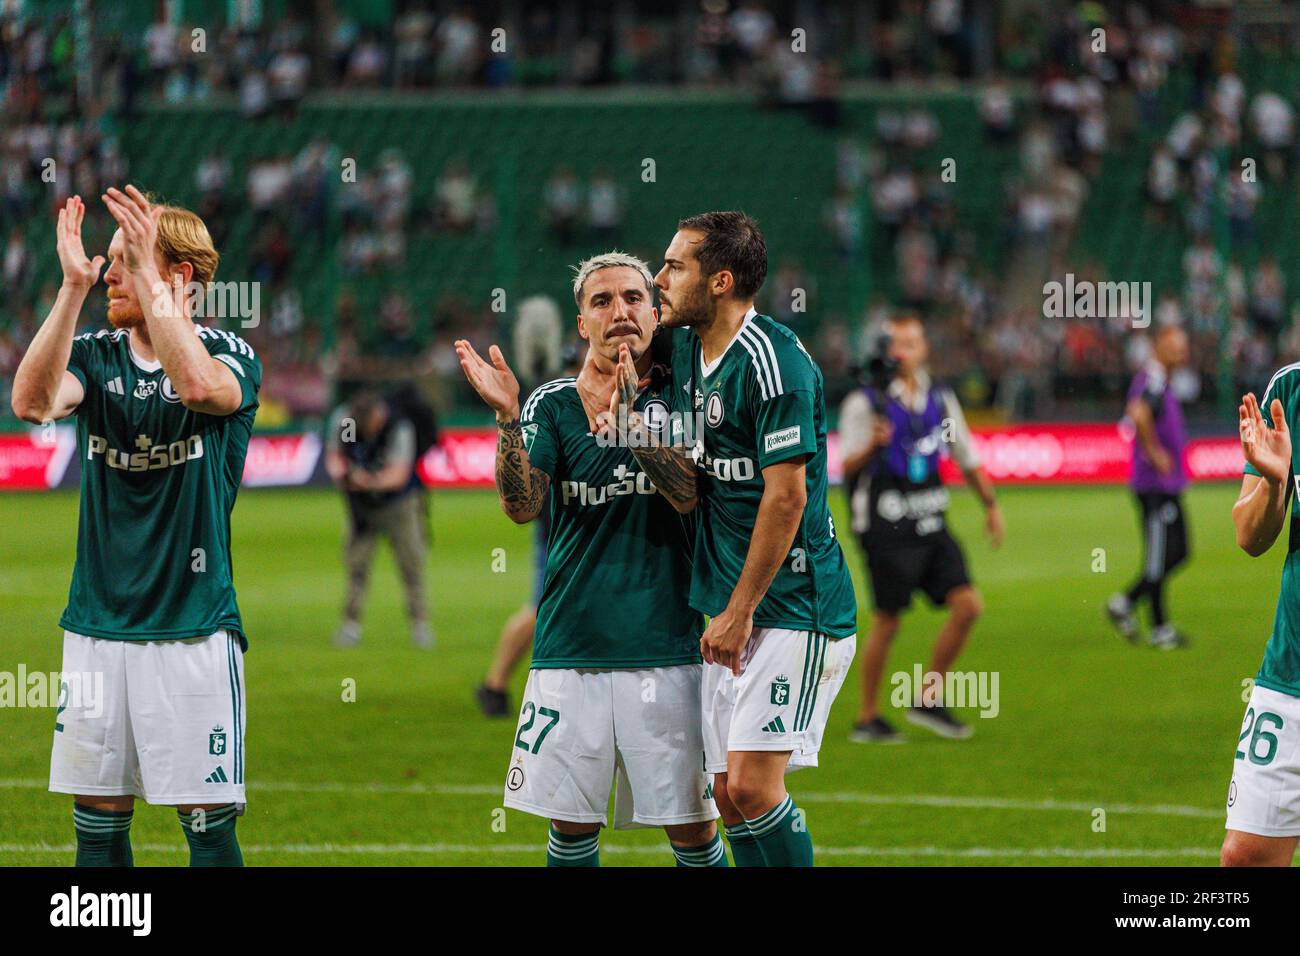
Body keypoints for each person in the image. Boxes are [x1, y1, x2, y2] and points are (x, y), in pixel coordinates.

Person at [11, 187, 261, 867]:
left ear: (176, 275)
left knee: (207, 830)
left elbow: (200, 390)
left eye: (125, 259)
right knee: (96, 829)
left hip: (194, 631)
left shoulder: (230, 357)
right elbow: (31, 402)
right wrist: (69, 290)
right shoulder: (96, 356)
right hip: (97, 631)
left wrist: (152, 285)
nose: (107, 272)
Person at [454, 251, 723, 867]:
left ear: (656, 312)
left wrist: (632, 429)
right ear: (582, 324)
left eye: (632, 298)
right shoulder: (551, 405)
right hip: (571, 651)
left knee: (693, 832)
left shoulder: (688, 393)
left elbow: (687, 496)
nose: (619, 312)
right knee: (571, 831)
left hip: (669, 648)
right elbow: (522, 507)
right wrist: (506, 420)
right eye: (601, 302)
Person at [633, 211, 858, 867]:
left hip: (794, 605)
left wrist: (739, 610)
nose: (659, 277)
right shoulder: (684, 350)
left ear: (722, 280)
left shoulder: (774, 364)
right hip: (733, 605)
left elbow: (786, 495)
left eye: (676, 266)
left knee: (756, 788)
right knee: (728, 793)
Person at [840, 315, 1002, 743]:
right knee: (889, 621)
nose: (903, 351)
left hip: (930, 517)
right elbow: (845, 467)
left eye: (911, 343)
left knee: (968, 605)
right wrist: (872, 445)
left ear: (924, 348)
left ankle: (927, 697)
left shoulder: (942, 399)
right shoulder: (866, 402)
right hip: (884, 523)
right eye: (896, 344)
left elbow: (966, 456)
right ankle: (867, 716)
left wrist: (991, 506)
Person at [476, 342, 580, 718]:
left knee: (546, 608)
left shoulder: (572, 399)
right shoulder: (560, 403)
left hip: (562, 523)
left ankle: (498, 684)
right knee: (540, 608)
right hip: (557, 527)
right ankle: (494, 683)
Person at [1222, 375, 1300, 866]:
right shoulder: (1289, 390)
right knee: (1244, 857)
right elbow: (1249, 536)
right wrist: (1275, 481)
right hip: (1290, 673)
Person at [325, 389, 432, 649]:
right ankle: (350, 626)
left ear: (379, 415)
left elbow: (399, 475)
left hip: (399, 504)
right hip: (361, 506)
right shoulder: (345, 420)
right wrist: (345, 475)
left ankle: (420, 625)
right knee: (356, 564)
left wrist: (367, 481)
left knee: (411, 564)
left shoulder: (399, 426)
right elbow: (334, 458)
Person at [1107, 324, 1191, 649]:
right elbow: (1138, 414)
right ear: (1158, 346)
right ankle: (1159, 628)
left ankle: (1125, 603)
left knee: (1178, 551)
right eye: (1175, 347)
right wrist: (1155, 452)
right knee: (1160, 556)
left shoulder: (1161, 380)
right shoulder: (1153, 380)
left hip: (1166, 485)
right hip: (1154, 486)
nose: (1181, 354)